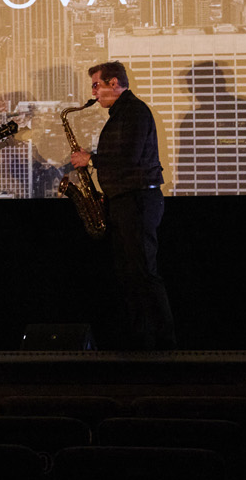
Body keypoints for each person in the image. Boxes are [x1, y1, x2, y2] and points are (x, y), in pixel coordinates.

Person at [68, 61, 176, 349]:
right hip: (127, 200)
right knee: (130, 275)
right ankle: (142, 341)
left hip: (137, 201)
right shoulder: (122, 113)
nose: (93, 92)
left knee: (143, 273)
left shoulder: (134, 111)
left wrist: (91, 159)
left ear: (114, 83)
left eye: (96, 85)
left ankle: (164, 345)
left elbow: (129, 156)